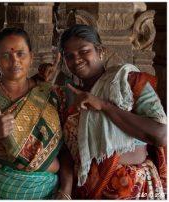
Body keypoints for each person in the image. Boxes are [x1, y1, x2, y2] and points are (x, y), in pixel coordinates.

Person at [40, 24, 167, 199]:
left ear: (100, 51)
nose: (76, 59)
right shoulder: (66, 97)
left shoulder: (130, 81)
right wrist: (66, 190)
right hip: (86, 191)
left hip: (133, 190)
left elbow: (161, 135)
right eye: (69, 56)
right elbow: (66, 151)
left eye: (84, 51)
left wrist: (104, 106)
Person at [0, 27, 73, 199]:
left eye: (21, 54)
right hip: (2, 188)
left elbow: (67, 150)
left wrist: (66, 190)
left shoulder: (49, 93)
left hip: (49, 190)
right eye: (6, 55)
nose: (14, 61)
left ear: (31, 56)